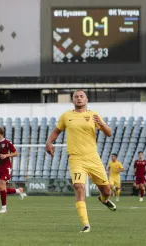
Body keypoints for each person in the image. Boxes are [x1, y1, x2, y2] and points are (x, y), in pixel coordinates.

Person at [46, 89, 116, 233]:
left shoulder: (93, 115)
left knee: (107, 190)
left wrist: (101, 125)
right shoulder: (66, 116)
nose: (79, 98)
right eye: (76, 97)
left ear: (86, 100)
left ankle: (103, 199)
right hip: (76, 158)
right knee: (79, 187)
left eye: (81, 96)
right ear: (72, 101)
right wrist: (49, 142)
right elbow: (56, 131)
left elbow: (109, 133)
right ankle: (86, 224)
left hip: (93, 158)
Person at [0, 127, 25, 213]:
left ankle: (4, 209)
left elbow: (16, 153)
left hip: (6, 167)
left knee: (1, 185)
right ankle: (18, 191)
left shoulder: (7, 143)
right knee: (1, 188)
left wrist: (6, 155)